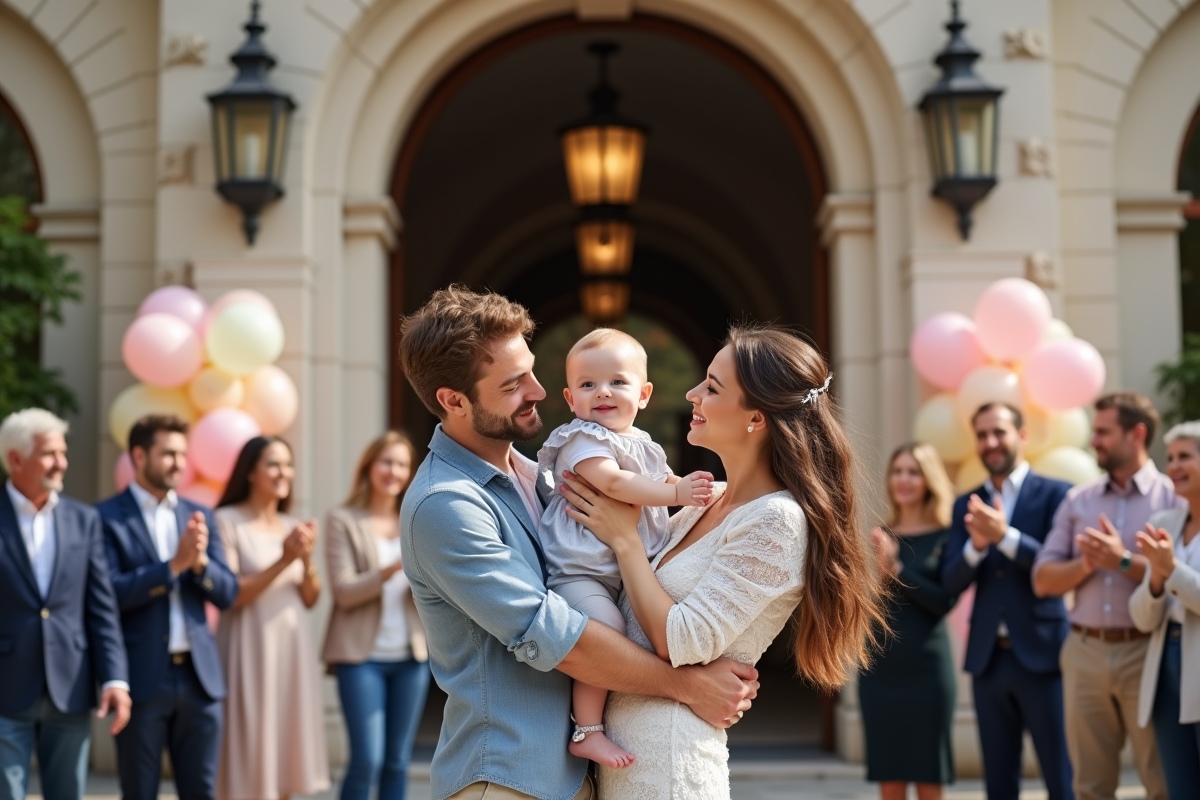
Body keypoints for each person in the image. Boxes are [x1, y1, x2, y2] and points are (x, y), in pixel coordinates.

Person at [397, 286, 759, 800]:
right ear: (453, 401)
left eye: (532, 370)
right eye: (514, 383)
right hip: (504, 778)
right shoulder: (445, 505)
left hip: (571, 782)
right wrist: (689, 685)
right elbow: (558, 636)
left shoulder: (538, 474)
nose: (540, 392)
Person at [558, 325, 887, 800]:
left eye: (711, 387)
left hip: (666, 766)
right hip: (622, 760)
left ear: (755, 417)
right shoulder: (701, 500)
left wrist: (625, 542)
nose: (692, 393)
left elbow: (680, 640)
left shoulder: (777, 521)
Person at [537, 328, 714, 768]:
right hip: (581, 572)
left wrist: (715, 492)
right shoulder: (581, 439)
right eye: (588, 384)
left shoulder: (644, 444)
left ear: (644, 393)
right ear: (570, 398)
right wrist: (675, 496)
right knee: (606, 629)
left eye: (618, 381)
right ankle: (588, 731)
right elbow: (613, 482)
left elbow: (667, 480)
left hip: (622, 569)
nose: (603, 392)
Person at [1034, 392, 1181, 800]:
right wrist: (1085, 564)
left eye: (1103, 432)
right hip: (1084, 651)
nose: (1093, 440)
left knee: (1162, 782)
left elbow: (1181, 579)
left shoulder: (1174, 499)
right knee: (1090, 787)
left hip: (1148, 652)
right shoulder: (1078, 500)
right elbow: (1043, 580)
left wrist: (1120, 561)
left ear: (1136, 434)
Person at [97, 414, 239, 800]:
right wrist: (172, 567)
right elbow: (108, 594)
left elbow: (227, 593)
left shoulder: (198, 514)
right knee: (139, 792)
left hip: (200, 678)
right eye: (168, 454)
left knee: (201, 792)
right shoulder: (104, 518)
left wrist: (199, 565)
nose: (178, 463)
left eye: (182, 454)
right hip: (142, 679)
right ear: (139, 456)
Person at [941, 403, 1074, 800]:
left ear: (1022, 435)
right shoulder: (966, 503)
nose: (991, 442)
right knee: (998, 784)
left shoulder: (1057, 494)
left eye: (999, 432)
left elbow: (1062, 568)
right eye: (982, 435)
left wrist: (1006, 537)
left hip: (1045, 656)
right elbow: (950, 580)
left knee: (1061, 776)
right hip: (989, 661)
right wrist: (977, 548)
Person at [0, 408, 131, 800]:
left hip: (70, 687)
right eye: (49, 454)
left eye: (62, 452)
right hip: (5, 690)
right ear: (15, 460)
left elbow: (101, 607)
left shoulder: (84, 519)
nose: (62, 463)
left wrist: (115, 679)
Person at [214, 436, 330, 800]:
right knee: (249, 748)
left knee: (285, 747)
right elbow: (231, 594)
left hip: (291, 650)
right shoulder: (227, 521)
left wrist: (306, 559)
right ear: (250, 471)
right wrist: (283, 559)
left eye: (287, 464)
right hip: (248, 646)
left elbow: (311, 598)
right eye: (273, 464)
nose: (284, 473)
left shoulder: (291, 524)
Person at [323, 431, 431, 800]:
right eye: (386, 462)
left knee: (397, 761)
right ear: (369, 467)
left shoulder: (415, 518)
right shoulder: (342, 520)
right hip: (360, 658)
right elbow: (344, 591)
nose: (394, 471)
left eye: (402, 464)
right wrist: (392, 568)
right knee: (366, 760)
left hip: (411, 657)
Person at [860, 443, 958, 800]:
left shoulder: (947, 534)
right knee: (889, 779)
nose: (903, 479)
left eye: (913, 472)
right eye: (898, 471)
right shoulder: (881, 534)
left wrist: (897, 569)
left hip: (927, 673)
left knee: (929, 777)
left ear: (928, 480)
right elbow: (870, 601)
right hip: (881, 670)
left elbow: (944, 600)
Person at [1129, 421, 1200, 799]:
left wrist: (1170, 569)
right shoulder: (1163, 525)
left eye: (1185, 456)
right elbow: (1142, 617)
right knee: (1180, 790)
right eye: (1170, 458)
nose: (1173, 466)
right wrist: (1156, 578)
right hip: (1164, 674)